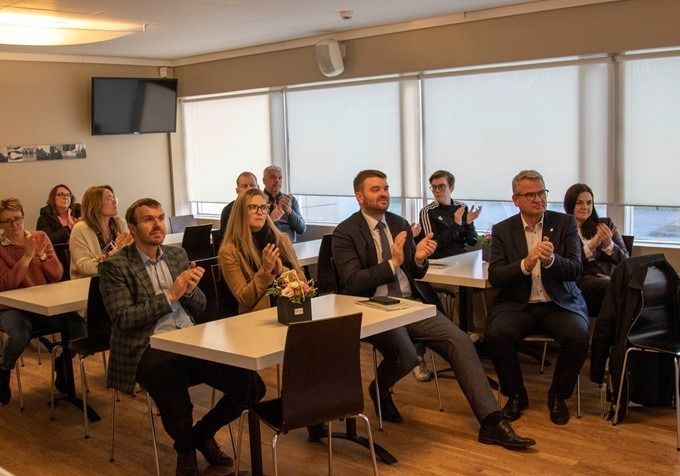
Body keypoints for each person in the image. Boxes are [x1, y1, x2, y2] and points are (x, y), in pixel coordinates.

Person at [332, 169, 534, 449]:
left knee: (460, 340)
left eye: (386, 188)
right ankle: (380, 388)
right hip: (372, 309)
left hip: (409, 305)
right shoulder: (345, 232)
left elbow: (415, 271)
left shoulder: (398, 223)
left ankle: (491, 422)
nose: (384, 194)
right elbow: (352, 282)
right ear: (359, 196)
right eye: (375, 189)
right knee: (407, 355)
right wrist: (392, 263)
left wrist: (417, 258)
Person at [99, 198, 265, 476]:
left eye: (160, 218)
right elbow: (124, 318)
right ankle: (187, 452)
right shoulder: (115, 266)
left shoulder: (176, 256)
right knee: (170, 385)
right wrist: (170, 295)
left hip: (190, 338)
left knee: (250, 384)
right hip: (147, 345)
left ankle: (195, 438)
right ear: (132, 227)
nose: (157, 225)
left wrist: (188, 291)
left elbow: (201, 306)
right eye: (148, 219)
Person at [486, 170, 589, 426]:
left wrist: (551, 260)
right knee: (497, 334)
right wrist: (526, 263)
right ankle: (516, 395)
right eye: (530, 195)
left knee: (578, 335)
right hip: (518, 305)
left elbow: (576, 270)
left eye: (541, 193)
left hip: (558, 303)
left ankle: (558, 396)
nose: (538, 199)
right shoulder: (503, 230)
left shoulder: (564, 223)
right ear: (516, 200)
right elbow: (496, 276)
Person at [0, 198, 85, 405]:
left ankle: (62, 366)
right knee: (19, 334)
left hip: (42, 303)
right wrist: (26, 257)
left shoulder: (40, 237)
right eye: (7, 221)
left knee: (78, 327)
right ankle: (4, 370)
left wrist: (43, 257)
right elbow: (5, 285)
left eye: (17, 219)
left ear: (23, 217)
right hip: (10, 306)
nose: (14, 225)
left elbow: (57, 274)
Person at [219, 188, 304, 314]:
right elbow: (244, 299)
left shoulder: (282, 240)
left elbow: (303, 283)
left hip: (292, 310)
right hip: (256, 316)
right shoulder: (230, 251)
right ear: (241, 213)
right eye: (253, 207)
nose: (260, 212)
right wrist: (265, 271)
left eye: (264, 207)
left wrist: (281, 271)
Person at [563, 183, 629, 316]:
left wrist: (608, 244)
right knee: (613, 286)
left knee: (635, 284)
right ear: (570, 205)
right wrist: (593, 244)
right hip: (582, 281)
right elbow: (569, 265)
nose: (585, 207)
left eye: (589, 203)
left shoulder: (605, 224)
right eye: (580, 203)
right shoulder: (563, 230)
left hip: (610, 276)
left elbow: (626, 261)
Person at [69, 185, 133, 279]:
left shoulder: (120, 223)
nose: (115, 202)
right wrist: (114, 254)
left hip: (117, 279)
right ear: (96, 204)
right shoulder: (80, 229)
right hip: (89, 282)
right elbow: (84, 267)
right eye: (109, 198)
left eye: (114, 198)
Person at [418, 170, 481, 258]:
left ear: (451, 188)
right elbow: (431, 246)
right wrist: (456, 225)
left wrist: (469, 224)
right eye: (434, 187)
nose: (437, 190)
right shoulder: (427, 211)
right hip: (439, 260)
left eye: (441, 186)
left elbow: (472, 242)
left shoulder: (462, 207)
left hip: (462, 257)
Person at [262, 165, 306, 242]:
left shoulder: (290, 200)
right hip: (267, 245)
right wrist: (270, 219)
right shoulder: (258, 201)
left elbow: (301, 229)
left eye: (280, 178)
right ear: (264, 181)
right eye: (273, 177)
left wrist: (289, 212)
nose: (277, 181)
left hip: (290, 245)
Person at [218, 171, 259, 236]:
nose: (249, 189)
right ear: (237, 191)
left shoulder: (262, 207)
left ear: (258, 188)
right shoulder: (229, 210)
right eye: (245, 186)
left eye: (252, 185)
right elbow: (231, 238)